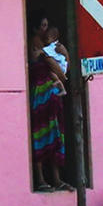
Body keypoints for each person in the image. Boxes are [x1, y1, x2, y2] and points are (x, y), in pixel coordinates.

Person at [29, 15, 70, 191]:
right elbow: (59, 71)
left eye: (47, 26)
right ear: (35, 29)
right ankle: (41, 179)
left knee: (54, 135)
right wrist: (62, 75)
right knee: (41, 135)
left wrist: (64, 54)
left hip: (52, 98)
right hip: (41, 98)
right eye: (42, 26)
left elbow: (63, 65)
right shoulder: (36, 49)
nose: (46, 31)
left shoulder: (50, 49)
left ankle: (56, 179)